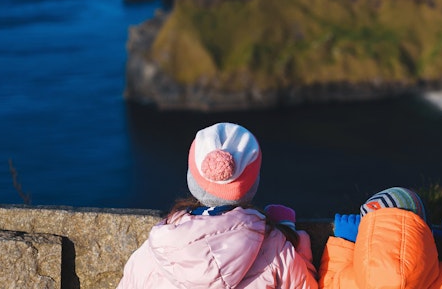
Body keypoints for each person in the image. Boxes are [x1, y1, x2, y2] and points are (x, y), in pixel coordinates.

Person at [117, 122, 318, 289]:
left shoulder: (154, 251)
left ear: (192, 178)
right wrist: (292, 238)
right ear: (252, 184)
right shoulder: (277, 251)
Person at [319, 187, 442, 289]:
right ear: (428, 237)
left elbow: (327, 285)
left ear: (366, 238)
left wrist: (345, 242)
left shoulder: (348, 282)